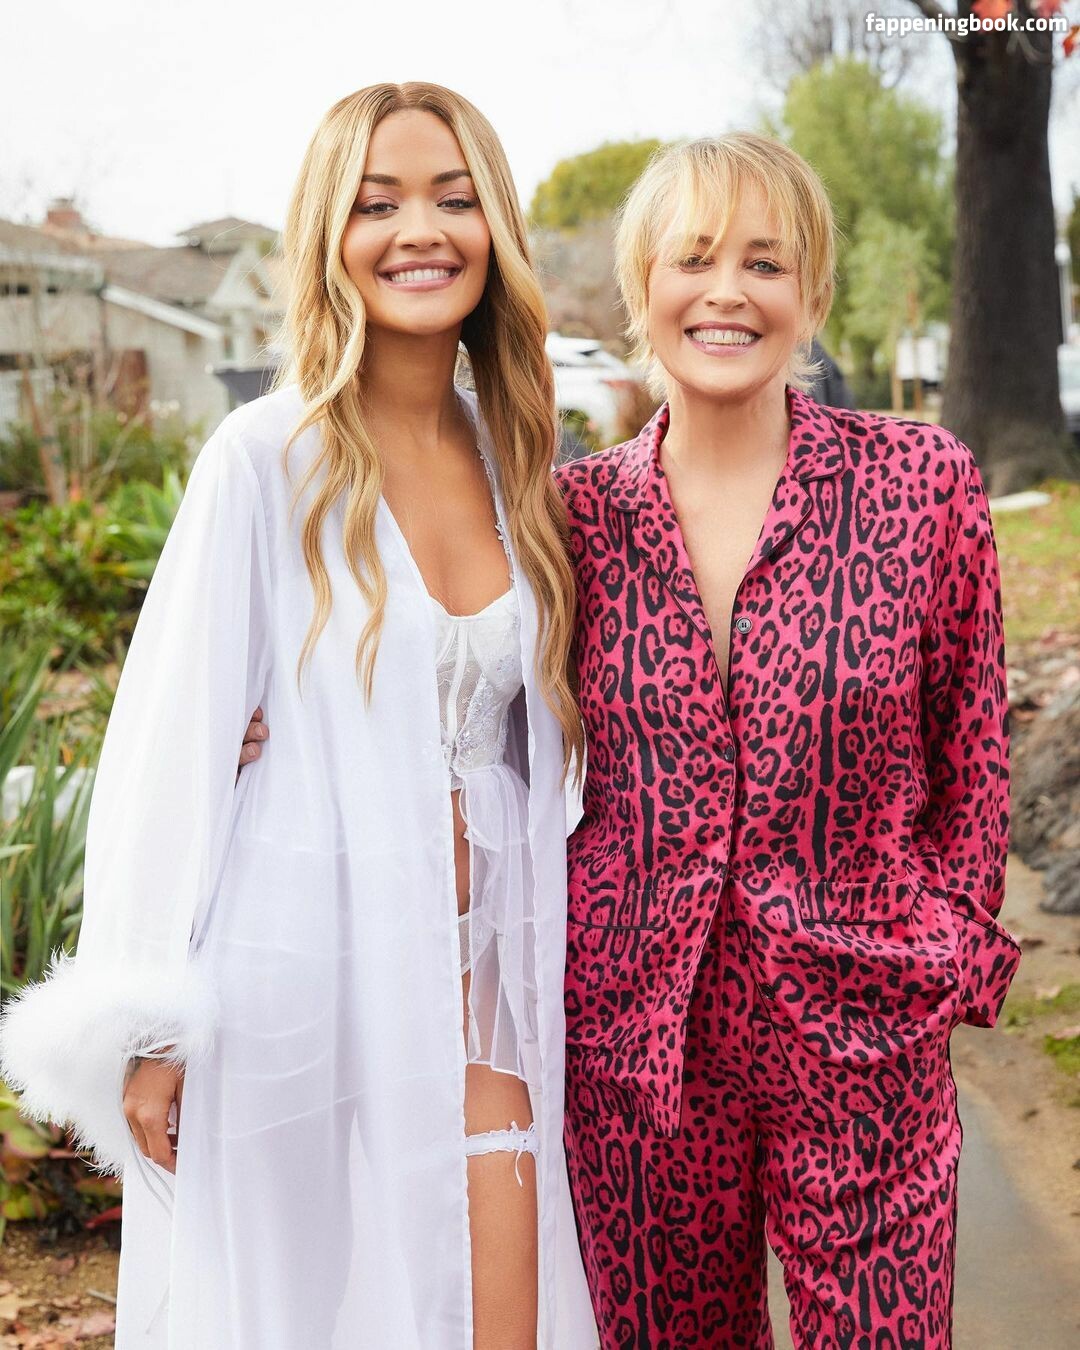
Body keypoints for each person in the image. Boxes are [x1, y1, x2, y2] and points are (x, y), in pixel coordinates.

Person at [0, 83, 597, 1350]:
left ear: (494, 227)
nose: (419, 230)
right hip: (297, 975)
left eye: (452, 198)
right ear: (331, 233)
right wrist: (154, 1027)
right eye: (379, 203)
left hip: (489, 982)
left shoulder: (519, 460)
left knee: (510, 1306)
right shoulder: (264, 459)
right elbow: (169, 751)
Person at [553, 134, 1019, 1348]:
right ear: (641, 285)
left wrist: (948, 953)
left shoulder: (919, 485)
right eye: (695, 258)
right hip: (639, 1046)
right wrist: (271, 726)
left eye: (765, 262)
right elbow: (472, 715)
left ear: (811, 294)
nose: (728, 292)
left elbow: (973, 746)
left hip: (866, 1028)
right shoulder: (573, 520)